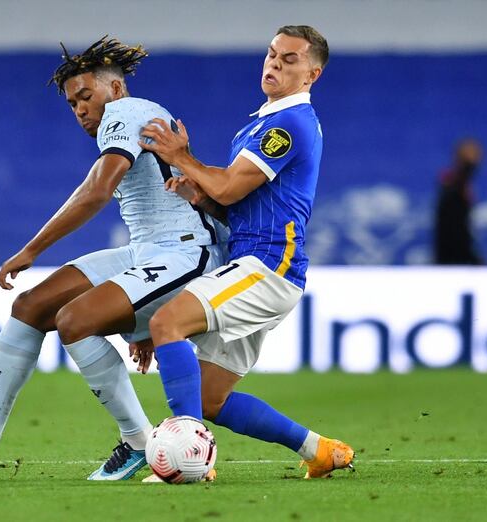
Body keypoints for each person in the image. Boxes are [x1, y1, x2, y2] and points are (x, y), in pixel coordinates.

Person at [0, 36, 226, 480]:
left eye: (86, 96)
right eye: (72, 103)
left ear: (116, 90)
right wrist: (139, 313)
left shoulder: (126, 112)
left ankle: (138, 440)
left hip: (184, 251)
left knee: (74, 320)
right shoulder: (126, 121)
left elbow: (96, 191)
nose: (80, 108)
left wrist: (32, 249)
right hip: (146, 252)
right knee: (30, 307)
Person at [138, 25, 354, 479]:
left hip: (269, 265)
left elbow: (234, 187)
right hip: (257, 265)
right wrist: (202, 197)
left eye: (289, 59)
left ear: (311, 74)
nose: (275, 64)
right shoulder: (262, 120)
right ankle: (319, 450)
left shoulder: (289, 124)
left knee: (166, 323)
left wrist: (183, 157)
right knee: (211, 397)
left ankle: (186, 454)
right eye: (272, 54)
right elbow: (239, 204)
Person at [433, 138, 484, 265]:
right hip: (450, 254)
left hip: (461, 250)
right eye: (470, 156)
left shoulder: (461, 182)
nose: (476, 159)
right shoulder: (452, 181)